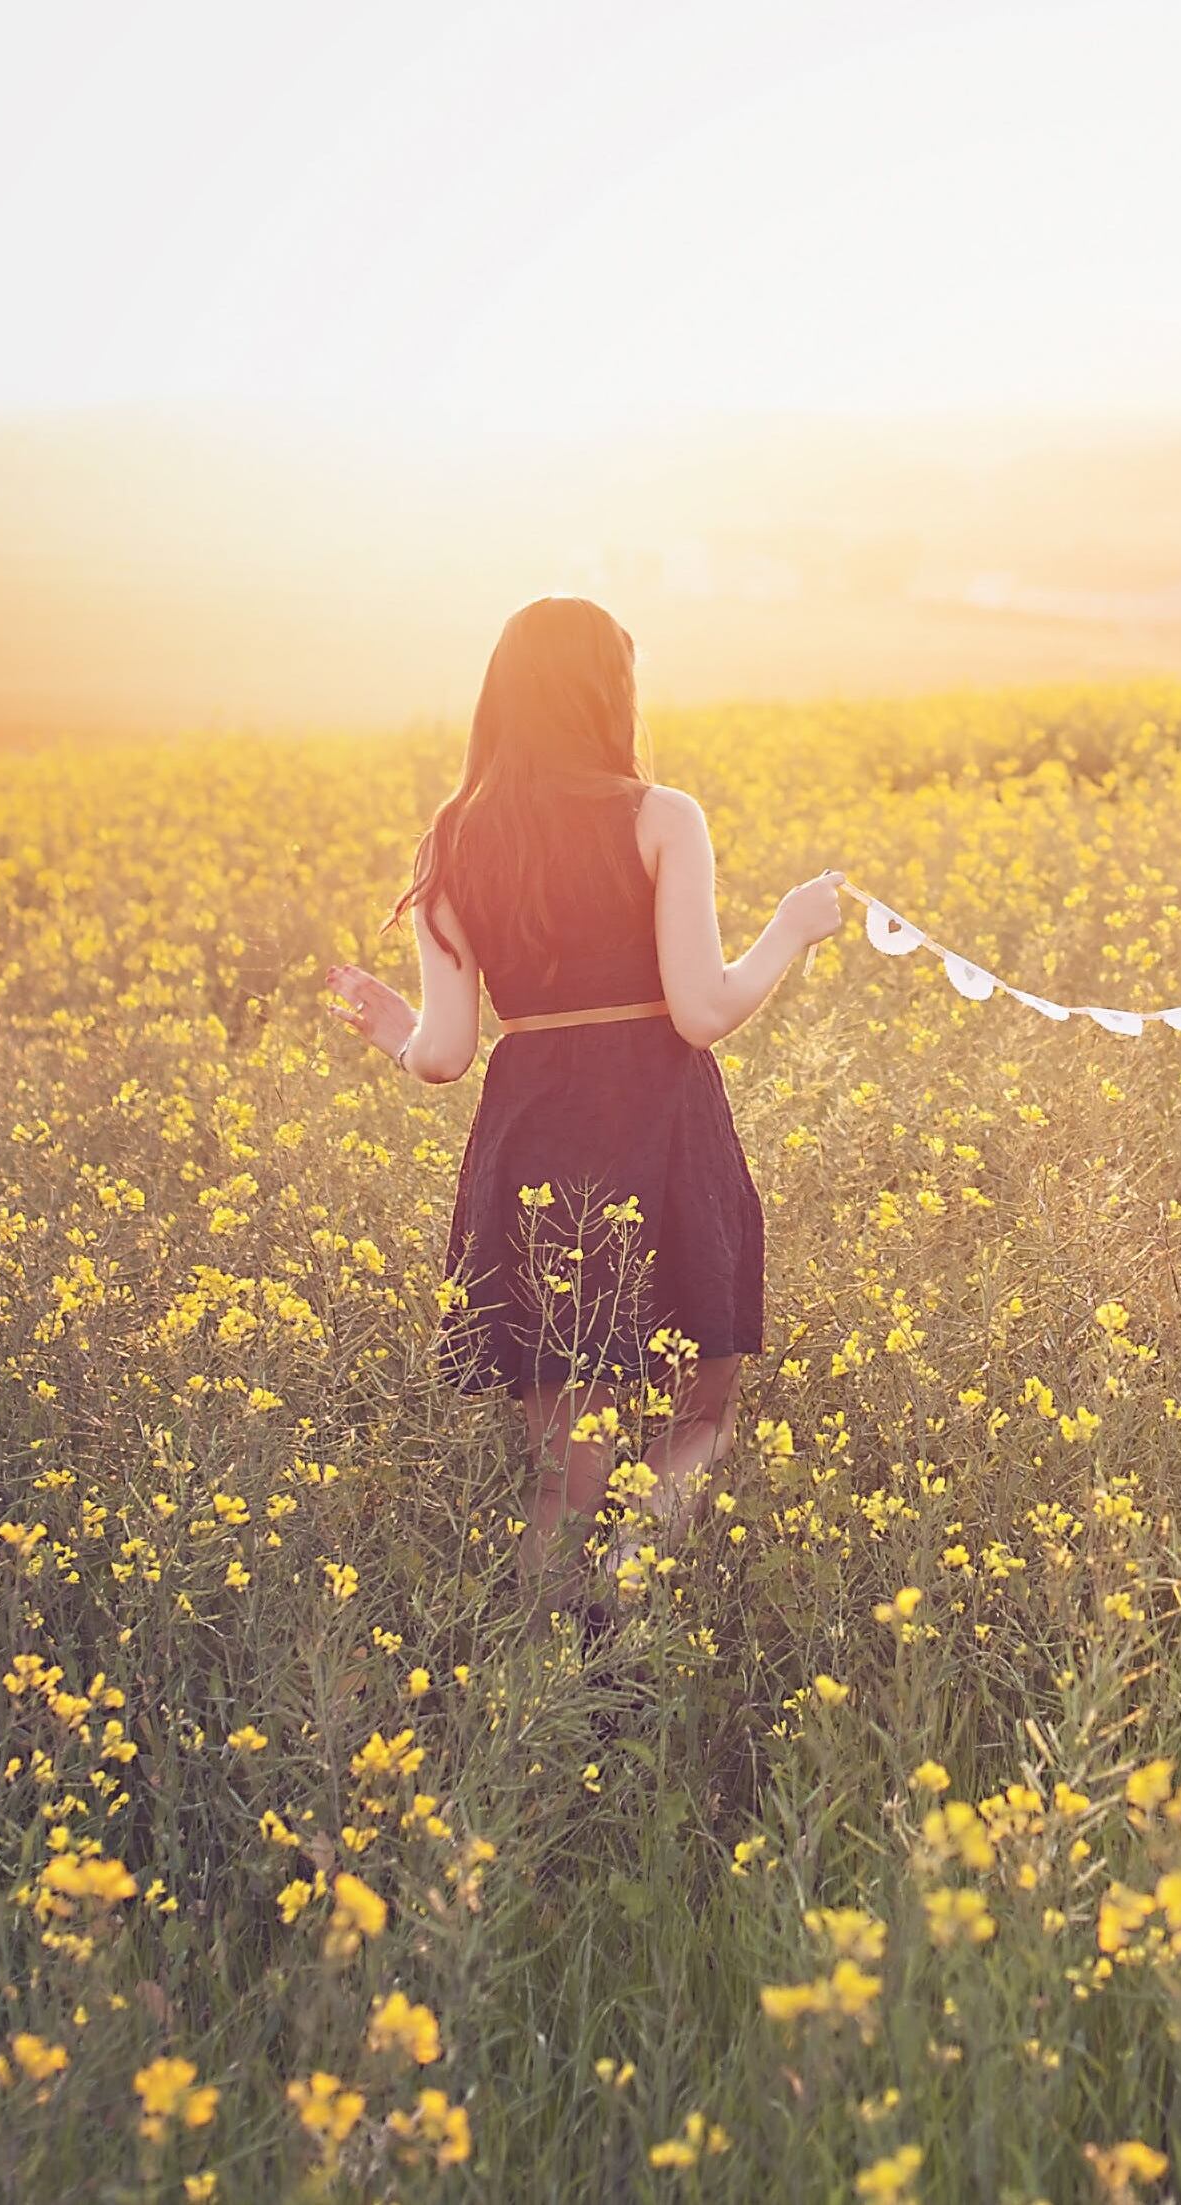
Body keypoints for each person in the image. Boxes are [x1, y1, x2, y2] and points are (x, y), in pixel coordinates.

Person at [324, 597, 843, 1587]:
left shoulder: (455, 836)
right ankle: (630, 1595)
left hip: (534, 1145)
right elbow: (701, 1009)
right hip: (660, 1133)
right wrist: (791, 926)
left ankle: (538, 1687)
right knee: (700, 1418)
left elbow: (444, 1055)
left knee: (566, 1475)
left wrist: (394, 1031)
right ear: (610, 689)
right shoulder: (660, 816)